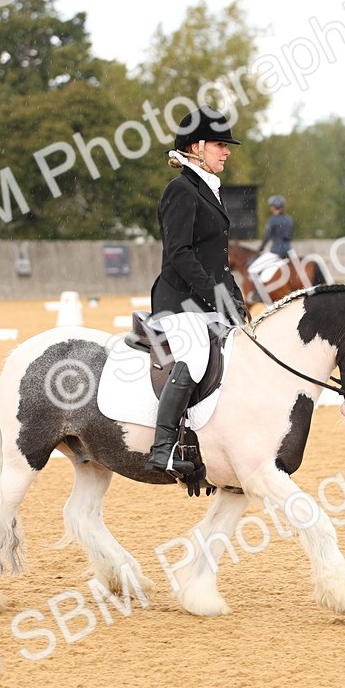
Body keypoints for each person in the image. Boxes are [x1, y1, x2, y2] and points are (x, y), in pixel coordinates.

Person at [145, 105, 248, 474]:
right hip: (179, 300)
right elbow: (180, 254)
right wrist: (215, 296)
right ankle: (164, 448)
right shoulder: (181, 190)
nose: (227, 152)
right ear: (197, 147)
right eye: (220, 145)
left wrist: (235, 299)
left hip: (206, 299)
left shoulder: (208, 189)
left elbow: (217, 259)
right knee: (197, 355)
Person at [247, 195, 294, 301]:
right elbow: (290, 236)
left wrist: (261, 247)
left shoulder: (272, 220)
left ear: (273, 207)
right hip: (288, 251)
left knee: (253, 269)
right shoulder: (289, 219)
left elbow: (267, 236)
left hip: (276, 251)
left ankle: (258, 294)